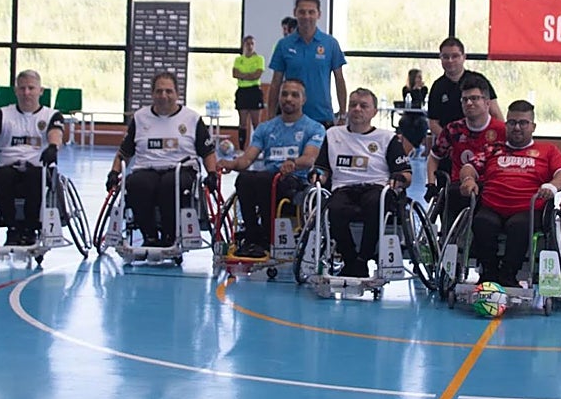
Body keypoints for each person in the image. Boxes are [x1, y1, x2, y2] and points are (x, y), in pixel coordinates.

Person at [459, 100, 561, 288]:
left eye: (523, 123)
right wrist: (468, 180)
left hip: (527, 209)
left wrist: (552, 186)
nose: (517, 127)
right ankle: (488, 273)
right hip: (492, 206)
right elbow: (469, 167)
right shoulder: (493, 148)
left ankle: (508, 275)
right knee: (481, 222)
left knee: (519, 226)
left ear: (533, 126)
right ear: (506, 125)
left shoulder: (548, 150)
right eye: (512, 122)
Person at [106, 73, 218, 248]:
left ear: (177, 94)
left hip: (181, 169)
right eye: (159, 91)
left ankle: (170, 235)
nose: (163, 96)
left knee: (169, 185)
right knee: (136, 184)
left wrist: (212, 174)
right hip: (146, 168)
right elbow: (124, 152)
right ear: (152, 94)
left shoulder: (192, 118)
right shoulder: (140, 117)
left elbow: (207, 152)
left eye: (168, 91)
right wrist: (114, 172)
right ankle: (149, 236)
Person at [217, 78, 325, 256]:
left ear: (303, 100)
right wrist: (230, 164)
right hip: (268, 179)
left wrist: (293, 163)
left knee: (264, 179)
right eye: (284, 94)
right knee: (244, 178)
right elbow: (247, 160)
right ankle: (252, 236)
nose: (288, 98)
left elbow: (309, 158)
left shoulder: (314, 128)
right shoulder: (266, 128)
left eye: (294, 95)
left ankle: (267, 238)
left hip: (296, 181)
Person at [312, 89, 410, 279]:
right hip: (343, 187)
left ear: (374, 111)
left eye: (363, 105)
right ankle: (350, 260)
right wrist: (317, 177)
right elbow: (322, 169)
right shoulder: (333, 135)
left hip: (375, 187)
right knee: (335, 208)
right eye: (353, 105)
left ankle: (362, 259)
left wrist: (399, 180)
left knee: (375, 203)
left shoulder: (387, 138)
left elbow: (406, 174)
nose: (357, 109)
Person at [0, 69, 63, 246]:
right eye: (22, 88)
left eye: (31, 88)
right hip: (8, 166)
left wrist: (53, 147)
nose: (26, 93)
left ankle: (30, 229)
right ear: (16, 91)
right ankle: (12, 228)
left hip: (37, 166)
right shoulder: (2, 114)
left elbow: (56, 133)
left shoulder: (52, 115)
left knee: (34, 178)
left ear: (41, 90)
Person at [426, 74, 506, 228]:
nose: (469, 103)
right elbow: (434, 157)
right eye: (465, 99)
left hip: (492, 187)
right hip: (460, 187)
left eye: (475, 98)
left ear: (487, 102)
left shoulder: (502, 130)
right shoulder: (453, 129)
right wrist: (431, 184)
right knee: (452, 196)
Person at [268, 0, 347, 126]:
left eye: (311, 12)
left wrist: (343, 114)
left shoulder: (330, 43)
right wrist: (270, 116)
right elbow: (276, 83)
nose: (306, 16)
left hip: (322, 117)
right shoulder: (283, 45)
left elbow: (339, 80)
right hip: (290, 118)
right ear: (295, 13)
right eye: (302, 12)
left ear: (319, 14)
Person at [426, 37, 503, 141]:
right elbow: (433, 123)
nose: (450, 60)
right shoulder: (437, 87)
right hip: (451, 143)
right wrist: (449, 141)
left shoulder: (479, 80)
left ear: (464, 57)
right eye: (445, 57)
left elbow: (495, 113)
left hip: (481, 141)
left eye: (455, 56)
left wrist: (501, 138)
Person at [232, 35, 265, 151]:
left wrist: (243, 76)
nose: (250, 46)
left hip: (254, 91)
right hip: (242, 92)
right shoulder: (238, 59)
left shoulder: (259, 59)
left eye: (252, 44)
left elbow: (257, 75)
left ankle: (259, 148)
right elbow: (235, 73)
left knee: (256, 123)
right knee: (243, 122)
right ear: (244, 45)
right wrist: (249, 75)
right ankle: (241, 149)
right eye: (248, 44)